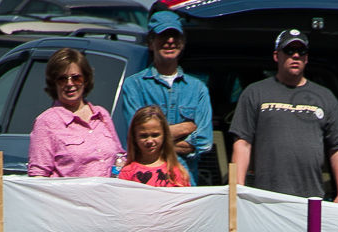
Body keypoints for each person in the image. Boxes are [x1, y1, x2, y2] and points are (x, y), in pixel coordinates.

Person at [229, 28, 338, 203]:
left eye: (301, 51)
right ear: (276, 56)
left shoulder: (325, 97)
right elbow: (243, 143)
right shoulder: (255, 93)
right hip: (266, 198)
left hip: (312, 200)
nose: (295, 56)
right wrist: (238, 189)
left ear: (306, 58)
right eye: (289, 50)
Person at [120, 10, 211, 185]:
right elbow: (135, 136)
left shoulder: (198, 89)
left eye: (175, 36)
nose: (170, 41)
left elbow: (204, 142)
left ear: (183, 43)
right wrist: (185, 128)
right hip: (143, 186)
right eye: (163, 36)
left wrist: (154, 140)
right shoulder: (134, 86)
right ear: (150, 43)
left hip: (185, 185)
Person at [28, 48, 123, 177]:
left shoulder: (102, 114)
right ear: (53, 83)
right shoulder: (46, 122)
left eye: (76, 78)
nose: (69, 83)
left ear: (86, 79)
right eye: (62, 79)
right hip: (68, 197)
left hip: (107, 195)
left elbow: (120, 157)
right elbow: (38, 175)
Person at [117, 105, 190, 187]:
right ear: (134, 137)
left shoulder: (176, 173)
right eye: (143, 136)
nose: (149, 141)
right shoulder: (128, 172)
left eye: (155, 135)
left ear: (164, 135)